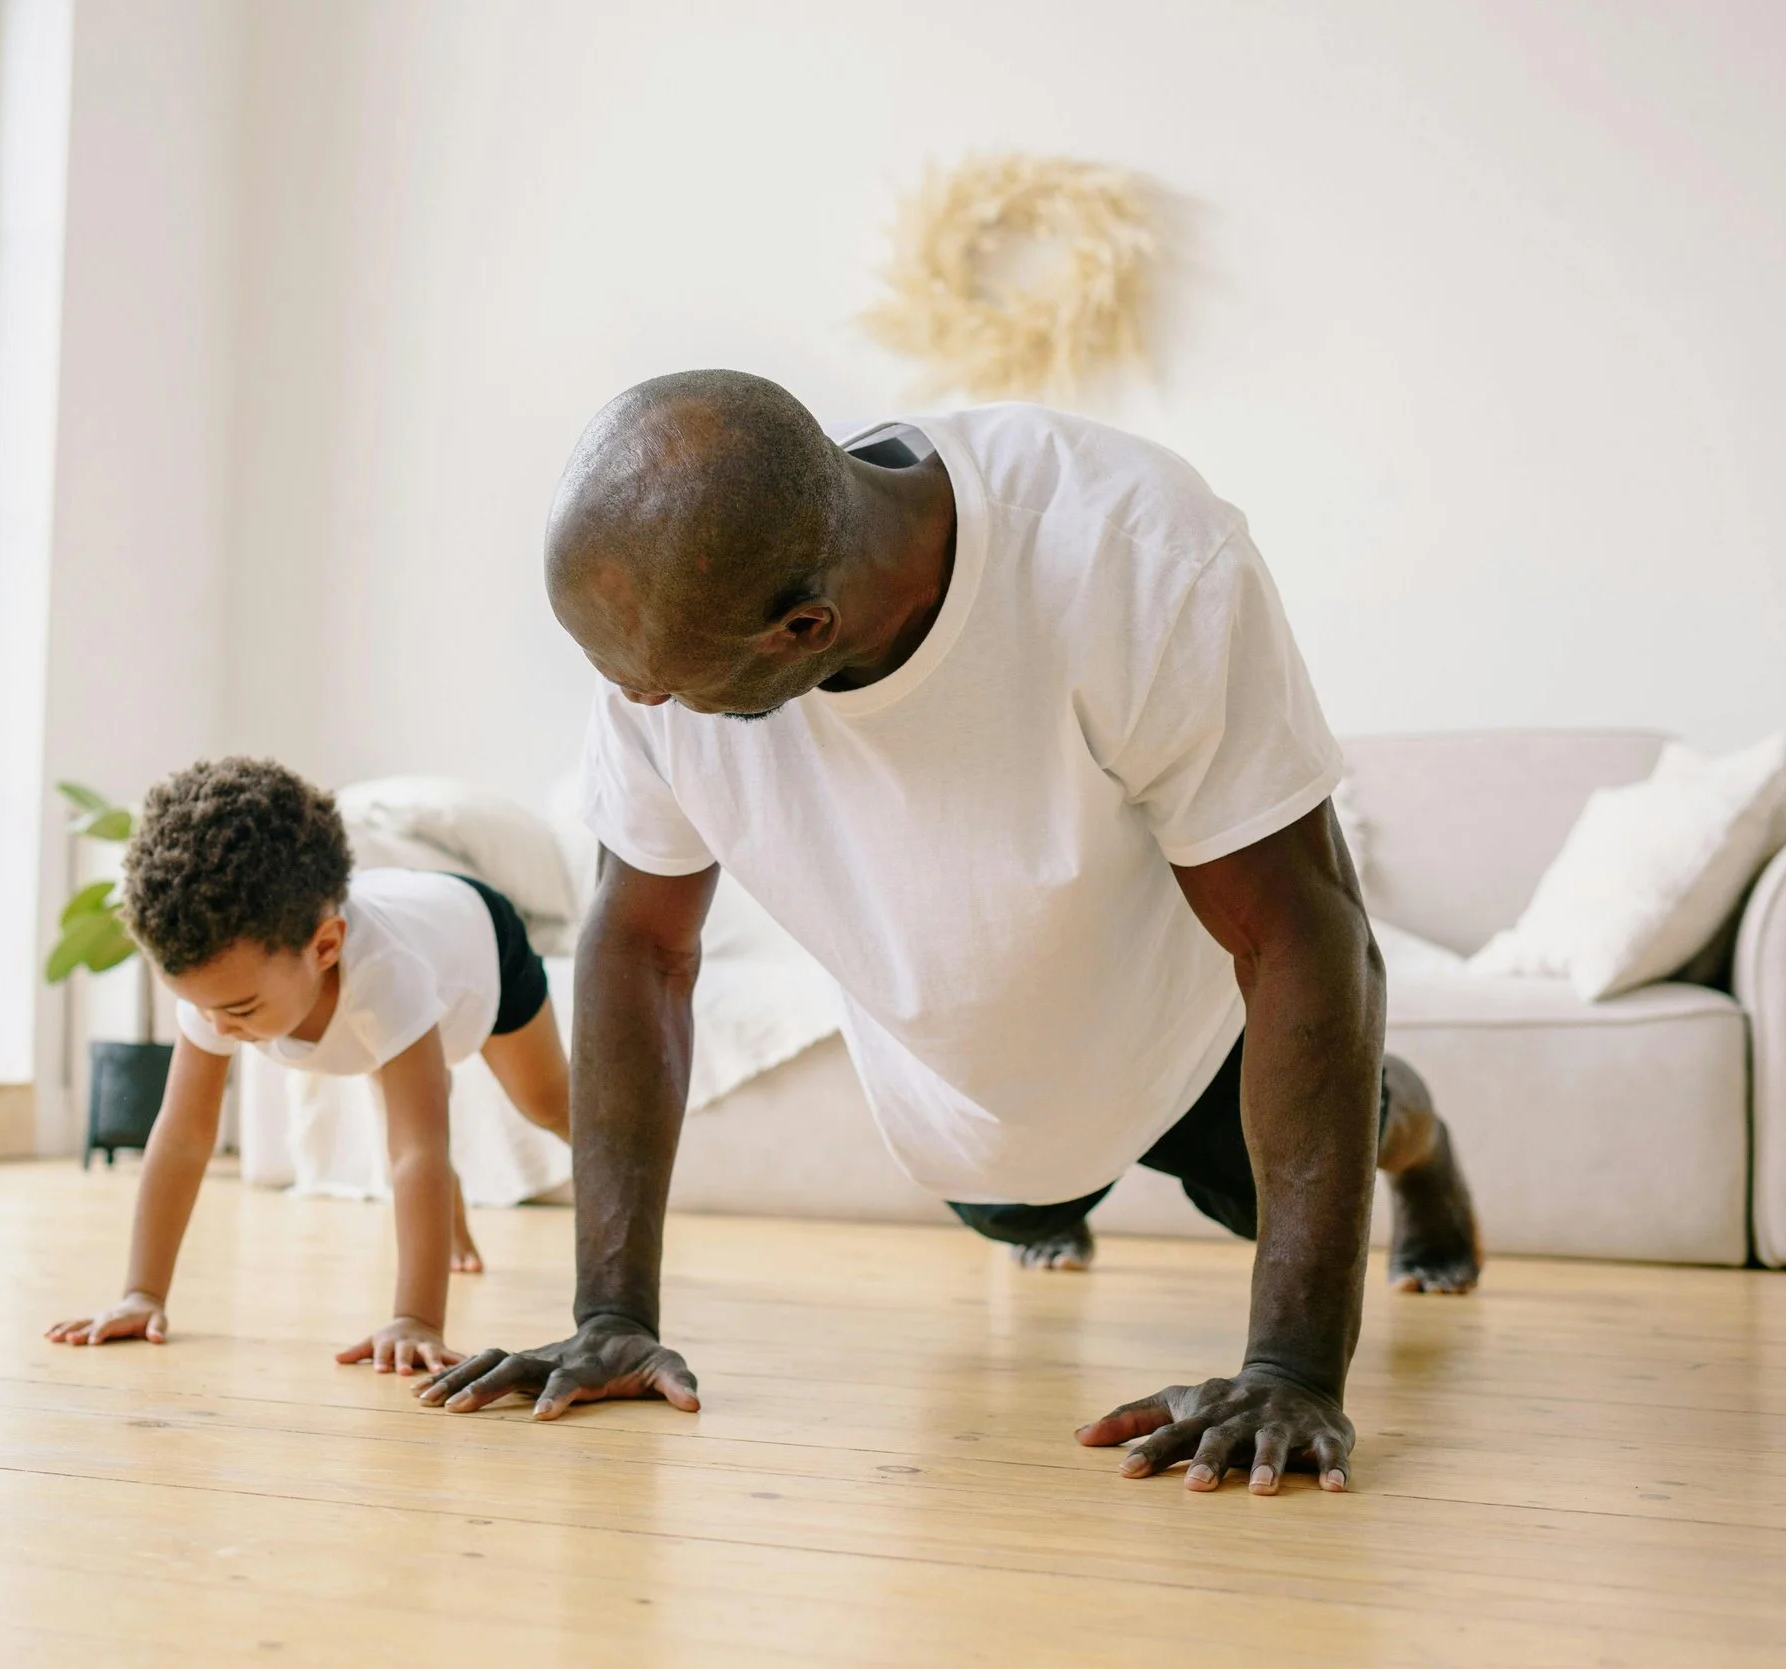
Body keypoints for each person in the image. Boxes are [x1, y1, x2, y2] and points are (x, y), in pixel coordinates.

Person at [420, 372, 1482, 1497]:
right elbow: (639, 949)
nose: (637, 706)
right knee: (1017, 1206)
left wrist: (1292, 1368)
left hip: (1192, 1029)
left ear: (803, 629)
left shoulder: (1131, 554)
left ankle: (1422, 1148)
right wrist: (610, 1315)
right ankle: (1052, 1188)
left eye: (666, 689)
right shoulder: (664, 629)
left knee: (1335, 1138)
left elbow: (1306, 939)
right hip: (976, 1094)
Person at [46, 757, 572, 1373]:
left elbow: (415, 1151)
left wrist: (416, 1320)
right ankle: (445, 1216)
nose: (216, 1027)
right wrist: (141, 1294)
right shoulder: (219, 985)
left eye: (239, 1008)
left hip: (480, 943)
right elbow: (185, 1137)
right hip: (402, 940)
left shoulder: (386, 974)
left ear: (325, 948)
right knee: (402, 1096)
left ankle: (623, 1172)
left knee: (542, 1103)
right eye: (197, 1006)